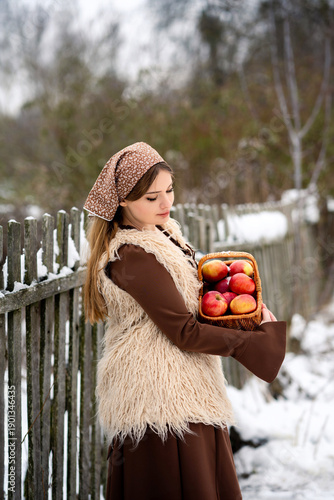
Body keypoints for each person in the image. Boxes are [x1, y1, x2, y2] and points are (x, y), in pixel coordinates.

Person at [83, 141, 286, 500]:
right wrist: (254, 344)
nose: (166, 203)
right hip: (159, 398)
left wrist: (234, 306)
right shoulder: (133, 255)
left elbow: (189, 304)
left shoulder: (161, 234)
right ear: (124, 201)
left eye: (169, 190)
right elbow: (183, 330)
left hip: (187, 386)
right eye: (151, 197)